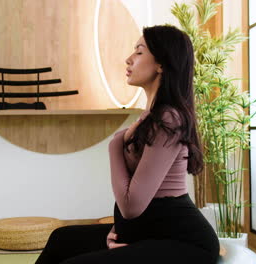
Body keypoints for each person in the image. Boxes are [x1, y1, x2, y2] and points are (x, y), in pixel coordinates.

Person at [34, 25, 220, 264]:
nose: (129, 59)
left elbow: (132, 205)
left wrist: (114, 146)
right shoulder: (150, 116)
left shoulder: (168, 119)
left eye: (139, 52)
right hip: (151, 232)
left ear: (162, 64)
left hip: (184, 242)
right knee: (62, 239)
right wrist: (121, 232)